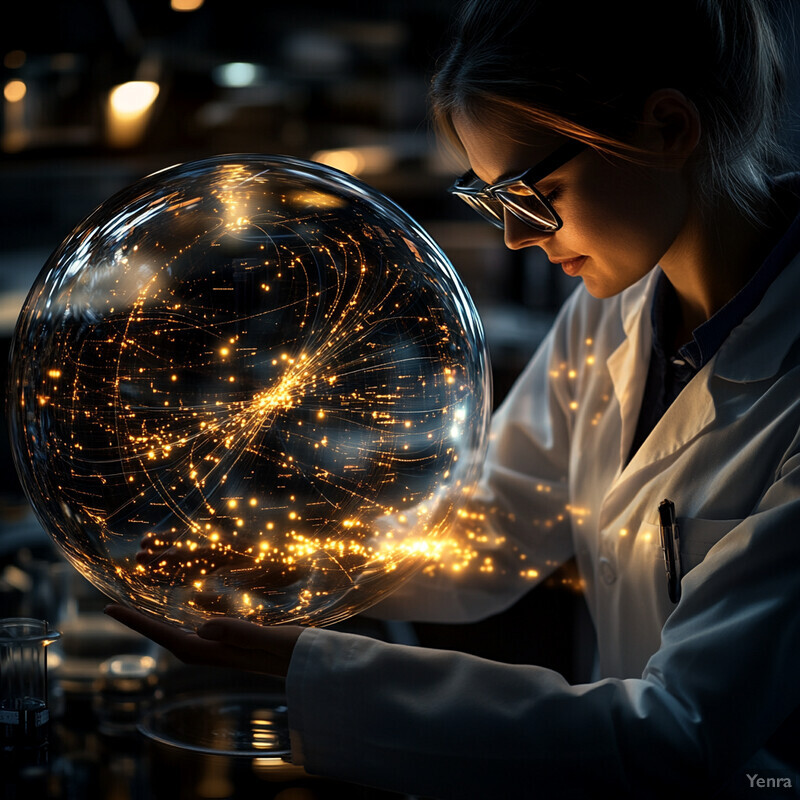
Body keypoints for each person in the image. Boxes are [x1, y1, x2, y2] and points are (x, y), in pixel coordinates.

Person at [106, 0, 800, 796]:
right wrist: (292, 563)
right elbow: (499, 524)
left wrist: (313, 667)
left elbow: (681, 736)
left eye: (532, 194)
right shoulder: (614, 306)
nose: (515, 238)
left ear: (667, 128)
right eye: (492, 201)